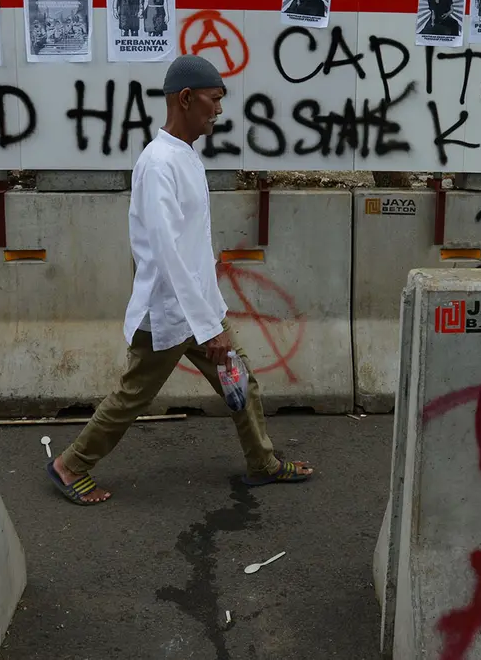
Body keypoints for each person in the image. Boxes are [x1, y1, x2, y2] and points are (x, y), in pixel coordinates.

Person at [45, 54, 316, 505]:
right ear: (186, 99)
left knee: (241, 379)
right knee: (133, 397)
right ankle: (69, 465)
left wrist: (214, 316)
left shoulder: (184, 156)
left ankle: (262, 463)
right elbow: (169, 256)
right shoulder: (158, 165)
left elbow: (192, 249)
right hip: (167, 311)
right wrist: (210, 327)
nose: (220, 110)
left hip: (196, 309)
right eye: (214, 100)